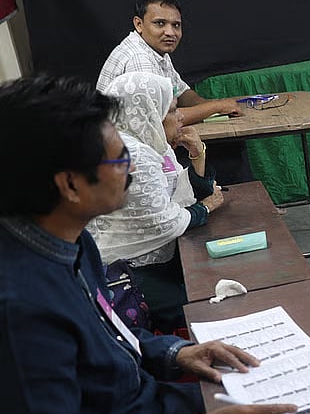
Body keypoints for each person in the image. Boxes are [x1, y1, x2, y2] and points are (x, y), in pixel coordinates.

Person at [0, 75, 294, 414]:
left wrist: (175, 352)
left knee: (282, 413)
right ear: (69, 184)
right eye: (118, 161)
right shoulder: (19, 306)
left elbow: (115, 337)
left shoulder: (67, 240)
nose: (132, 168)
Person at [88, 72, 225, 332]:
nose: (182, 116)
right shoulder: (134, 154)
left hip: (156, 259)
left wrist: (198, 154)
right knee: (209, 306)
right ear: (149, 112)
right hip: (127, 273)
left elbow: (185, 197)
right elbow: (166, 221)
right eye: (172, 110)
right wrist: (206, 208)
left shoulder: (150, 145)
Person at [97, 0, 253, 183]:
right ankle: (217, 208)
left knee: (228, 147)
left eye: (176, 25)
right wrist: (216, 107)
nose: (170, 32)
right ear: (139, 24)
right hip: (124, 155)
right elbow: (160, 120)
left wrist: (210, 107)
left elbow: (182, 91)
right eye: (160, 23)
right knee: (226, 154)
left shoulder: (155, 50)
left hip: (142, 143)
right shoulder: (139, 58)